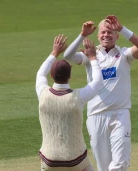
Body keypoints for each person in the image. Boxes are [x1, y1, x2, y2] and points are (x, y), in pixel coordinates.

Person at [64, 16, 138, 171]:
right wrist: (82, 35)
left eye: (111, 32)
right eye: (103, 32)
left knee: (119, 164)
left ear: (117, 36)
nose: (106, 35)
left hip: (120, 115)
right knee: (103, 166)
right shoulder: (90, 55)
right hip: (96, 115)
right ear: (97, 35)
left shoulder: (124, 54)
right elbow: (68, 56)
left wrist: (122, 28)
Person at [35, 34, 103, 171]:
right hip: (76, 161)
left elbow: (40, 74)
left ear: (52, 75)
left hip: (49, 162)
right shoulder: (78, 97)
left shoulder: (42, 93)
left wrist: (54, 53)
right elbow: (98, 82)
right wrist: (93, 58)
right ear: (70, 76)